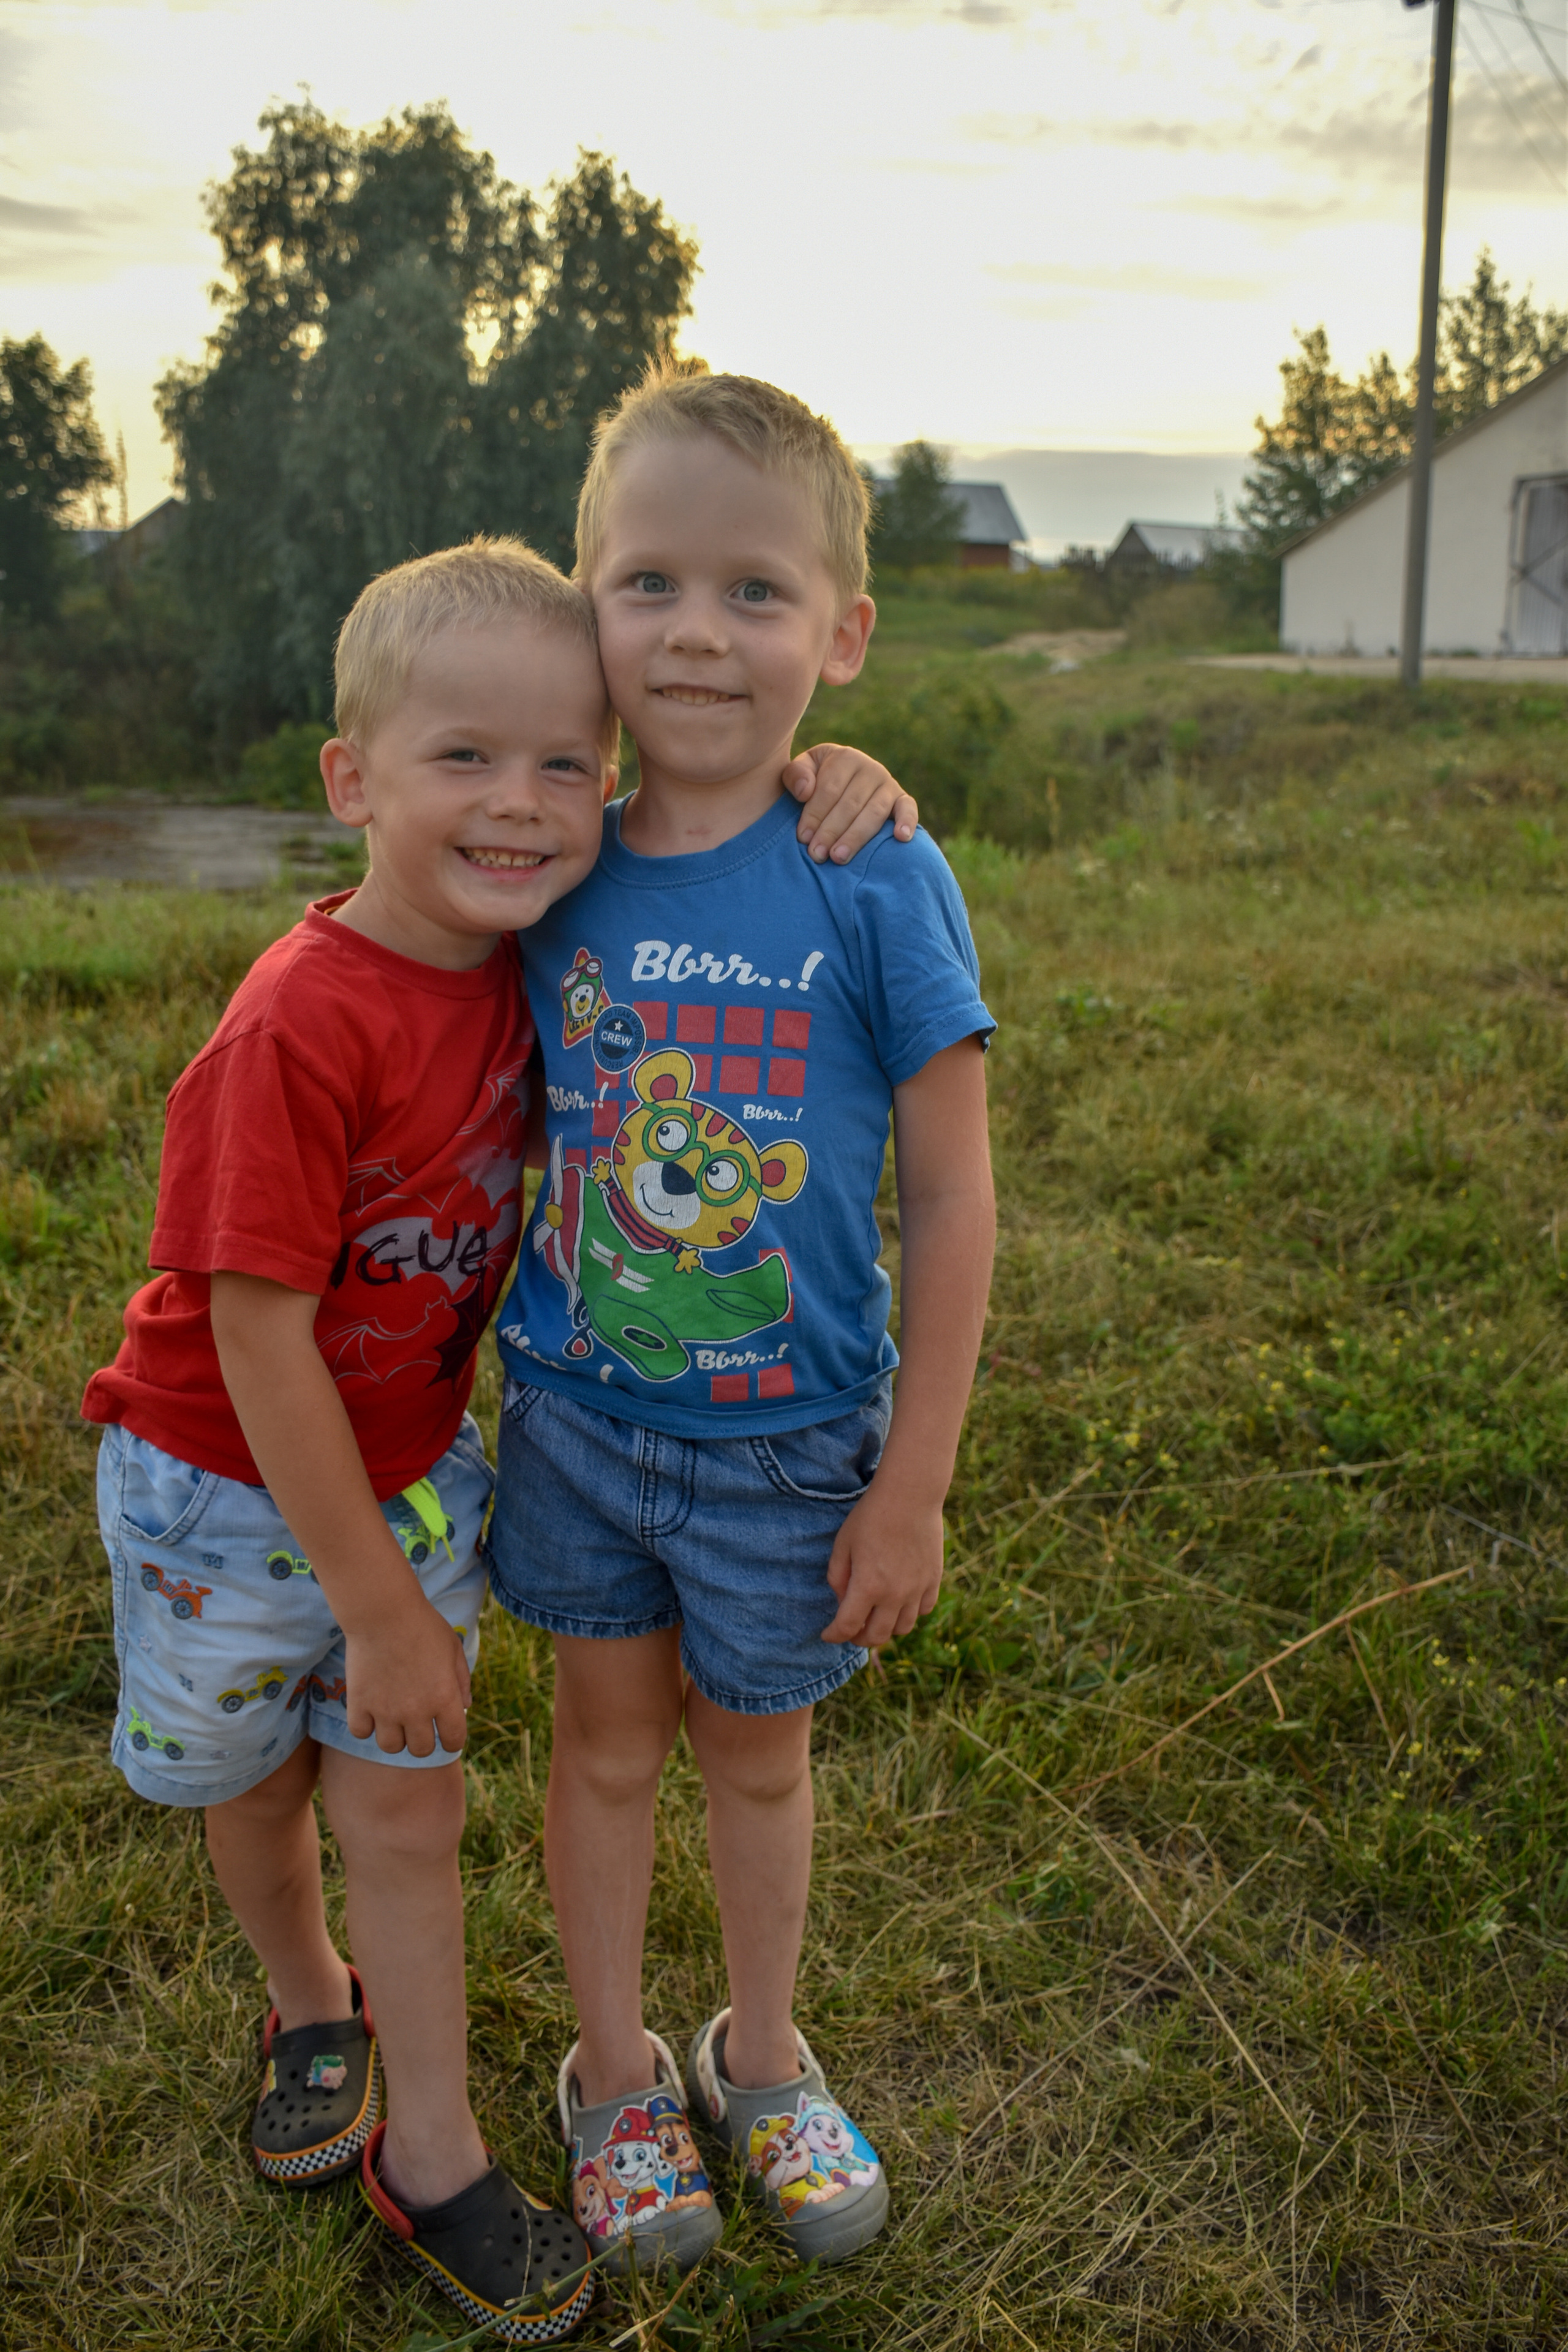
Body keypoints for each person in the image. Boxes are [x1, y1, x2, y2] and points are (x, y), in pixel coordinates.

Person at [81, 534, 913, 2344]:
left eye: (564, 764)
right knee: (254, 1789)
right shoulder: (295, 1026)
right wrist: (374, 1605)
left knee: (406, 1800)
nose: (523, 806)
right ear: (350, 778)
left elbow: (732, 829)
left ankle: (437, 2153)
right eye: (464, 759)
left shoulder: (543, 948)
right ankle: (313, 2002)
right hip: (222, 1486)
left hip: (413, 1469)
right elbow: (253, 1329)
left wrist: (834, 770)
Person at [486, 368, 997, 2277]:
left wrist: (916, 1483)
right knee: (602, 1749)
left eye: (758, 595)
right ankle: (617, 2077)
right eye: (652, 585)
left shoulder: (876, 871)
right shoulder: (547, 857)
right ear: (587, 608)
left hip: (792, 1446)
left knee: (756, 1760)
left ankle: (761, 2060)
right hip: (573, 1421)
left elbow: (950, 1192)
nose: (701, 632)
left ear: (844, 635)